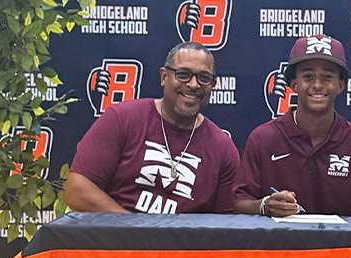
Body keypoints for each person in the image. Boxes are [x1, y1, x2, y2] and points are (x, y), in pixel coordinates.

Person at [64, 42, 239, 214]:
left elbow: (223, 226)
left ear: (213, 85)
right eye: (183, 74)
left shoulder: (223, 150)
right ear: (164, 77)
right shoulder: (122, 118)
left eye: (204, 78)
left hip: (182, 242)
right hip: (116, 239)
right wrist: (134, 233)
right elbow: (76, 190)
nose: (194, 84)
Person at [233, 34, 351, 217]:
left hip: (339, 246)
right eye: (308, 76)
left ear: (340, 84)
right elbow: (239, 203)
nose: (317, 85)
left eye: (327, 77)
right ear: (293, 83)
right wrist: (265, 205)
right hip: (278, 244)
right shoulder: (263, 138)